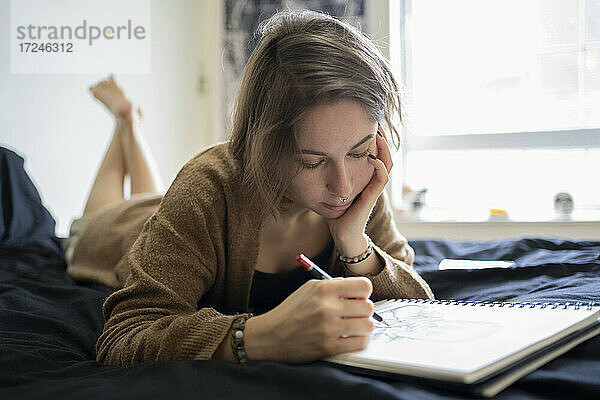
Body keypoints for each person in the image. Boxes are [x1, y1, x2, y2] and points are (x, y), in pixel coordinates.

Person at [72, 10, 434, 367]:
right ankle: (127, 124)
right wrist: (257, 336)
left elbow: (418, 301)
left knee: (151, 196)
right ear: (264, 145)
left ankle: (128, 124)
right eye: (311, 161)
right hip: (116, 234)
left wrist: (356, 245)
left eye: (359, 151)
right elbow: (124, 338)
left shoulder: (362, 180)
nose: (342, 186)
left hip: (170, 213)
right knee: (92, 221)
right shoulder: (204, 190)